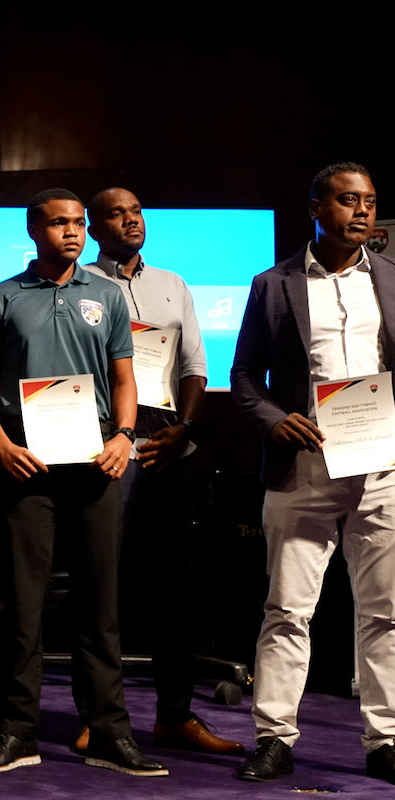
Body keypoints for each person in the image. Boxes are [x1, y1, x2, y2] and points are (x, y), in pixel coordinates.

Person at [0, 188, 167, 777]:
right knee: (23, 606)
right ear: (34, 231)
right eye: (59, 223)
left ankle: (108, 732)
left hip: (96, 457)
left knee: (100, 602)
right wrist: (1, 445)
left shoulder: (105, 294)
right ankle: (15, 733)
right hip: (26, 459)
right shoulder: (2, 296)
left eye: (78, 223)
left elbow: (125, 379)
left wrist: (125, 436)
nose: (72, 232)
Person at [230, 162, 395, 786]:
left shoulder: (393, 280)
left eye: (371, 201)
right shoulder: (273, 285)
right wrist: (273, 420)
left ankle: (386, 739)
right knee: (288, 609)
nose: (362, 211)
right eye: (348, 200)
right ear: (315, 208)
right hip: (304, 468)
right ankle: (274, 738)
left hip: (382, 466)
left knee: (385, 612)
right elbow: (244, 376)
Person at [79, 187, 242, 755]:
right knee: (104, 588)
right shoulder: (79, 287)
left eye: (136, 212)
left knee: (176, 589)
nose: (131, 221)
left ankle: (175, 716)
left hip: (171, 451)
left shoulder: (171, 284)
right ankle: (99, 716)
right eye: (116, 215)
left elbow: (196, 367)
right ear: (93, 227)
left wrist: (187, 431)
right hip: (105, 453)